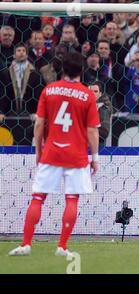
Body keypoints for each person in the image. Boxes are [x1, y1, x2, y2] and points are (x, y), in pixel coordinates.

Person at [8, 51, 100, 257]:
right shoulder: (87, 95)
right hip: (76, 156)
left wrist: (39, 151)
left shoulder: (49, 90)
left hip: (52, 152)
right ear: (81, 70)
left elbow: (39, 124)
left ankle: (26, 244)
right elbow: (92, 130)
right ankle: (62, 246)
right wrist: (94, 158)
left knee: (38, 197)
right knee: (72, 199)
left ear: (62, 69)